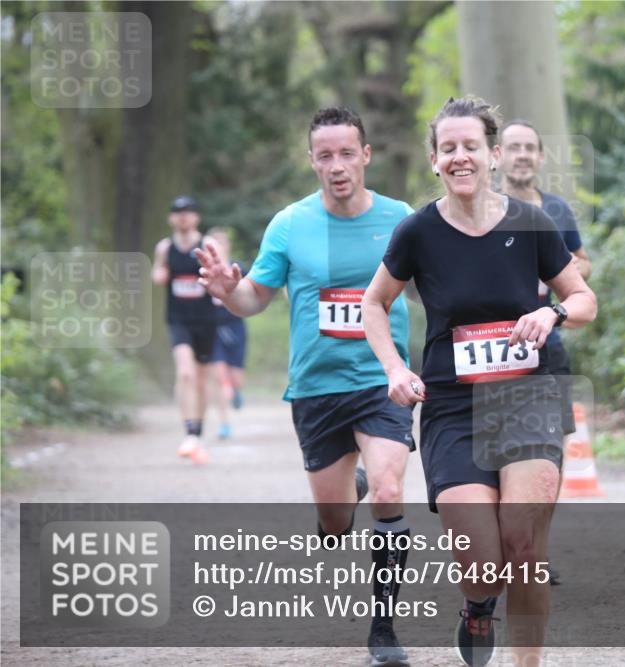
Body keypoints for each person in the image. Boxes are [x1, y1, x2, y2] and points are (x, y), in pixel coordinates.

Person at [362, 96, 597, 667]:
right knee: (483, 560)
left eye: (472, 146)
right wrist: (395, 367)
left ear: (493, 155)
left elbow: (584, 297)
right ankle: (476, 606)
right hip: (453, 406)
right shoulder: (418, 231)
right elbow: (374, 303)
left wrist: (552, 314)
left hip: (528, 394)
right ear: (434, 160)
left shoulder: (532, 222)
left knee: (523, 543)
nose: (460, 156)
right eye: (449, 148)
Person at [196, 107, 415, 667]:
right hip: (317, 389)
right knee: (336, 521)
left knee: (390, 491)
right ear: (312, 161)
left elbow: (440, 288)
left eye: (347, 153)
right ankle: (348, 489)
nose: (337, 166)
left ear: (366, 155)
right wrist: (228, 291)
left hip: (380, 379)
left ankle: (385, 631)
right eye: (326, 155)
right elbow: (253, 301)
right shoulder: (289, 224)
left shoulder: (402, 219)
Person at [498, 120, 593, 586]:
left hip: (548, 351)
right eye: (512, 147)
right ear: (498, 155)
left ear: (539, 158)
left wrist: (555, 278)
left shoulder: (555, 209)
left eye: (528, 148)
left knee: (550, 457)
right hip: (492, 352)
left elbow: (582, 260)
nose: (520, 155)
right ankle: (505, 545)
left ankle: (538, 552)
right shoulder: (487, 210)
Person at [152, 196, 216, 465]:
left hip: (206, 320)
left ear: (196, 217)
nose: (183, 217)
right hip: (178, 319)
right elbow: (157, 273)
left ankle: (197, 434)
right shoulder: (165, 247)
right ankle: (188, 432)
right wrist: (160, 275)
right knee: (186, 373)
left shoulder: (207, 245)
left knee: (201, 379)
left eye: (188, 212)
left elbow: (220, 273)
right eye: (178, 213)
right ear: (171, 218)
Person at [206, 228, 248, 440]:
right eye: (212, 243)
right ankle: (224, 423)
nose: (216, 247)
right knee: (218, 375)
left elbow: (252, 292)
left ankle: (236, 390)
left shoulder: (238, 267)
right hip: (211, 328)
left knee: (235, 378)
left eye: (220, 243)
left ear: (227, 246)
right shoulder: (202, 270)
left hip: (234, 327)